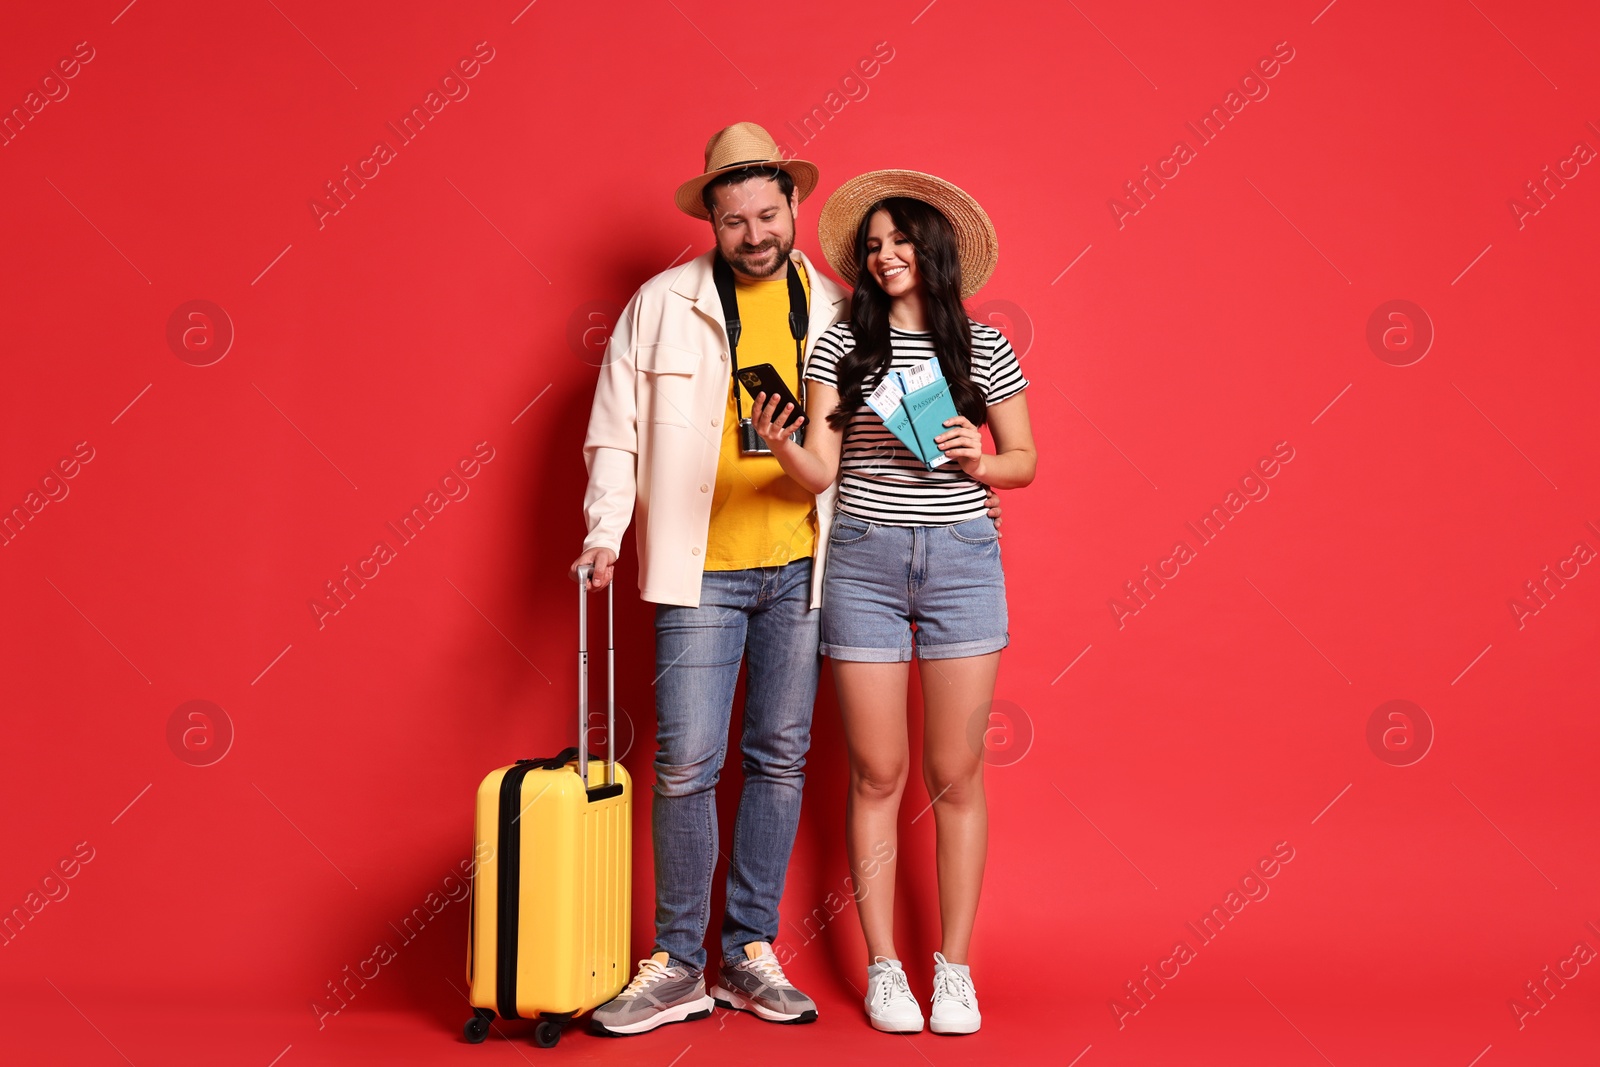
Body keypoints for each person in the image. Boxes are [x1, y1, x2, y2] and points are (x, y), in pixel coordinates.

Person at [569, 126, 1003, 1036]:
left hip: (811, 565)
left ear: (796, 210)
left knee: (780, 757)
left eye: (769, 214)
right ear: (713, 222)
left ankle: (749, 952)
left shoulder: (849, 311)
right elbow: (616, 426)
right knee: (687, 763)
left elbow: (918, 448)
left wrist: (978, 483)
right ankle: (679, 960)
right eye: (736, 220)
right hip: (700, 568)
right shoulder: (659, 304)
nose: (755, 232)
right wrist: (605, 529)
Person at [749, 169, 1036, 1035]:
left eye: (899, 239)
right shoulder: (842, 348)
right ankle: (884, 968)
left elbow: (1023, 458)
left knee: (957, 772)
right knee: (878, 771)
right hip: (865, 564)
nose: (883, 256)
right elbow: (824, 470)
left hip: (961, 562)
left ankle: (954, 967)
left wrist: (977, 459)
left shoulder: (982, 349)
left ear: (934, 247)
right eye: (872, 246)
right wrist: (780, 444)